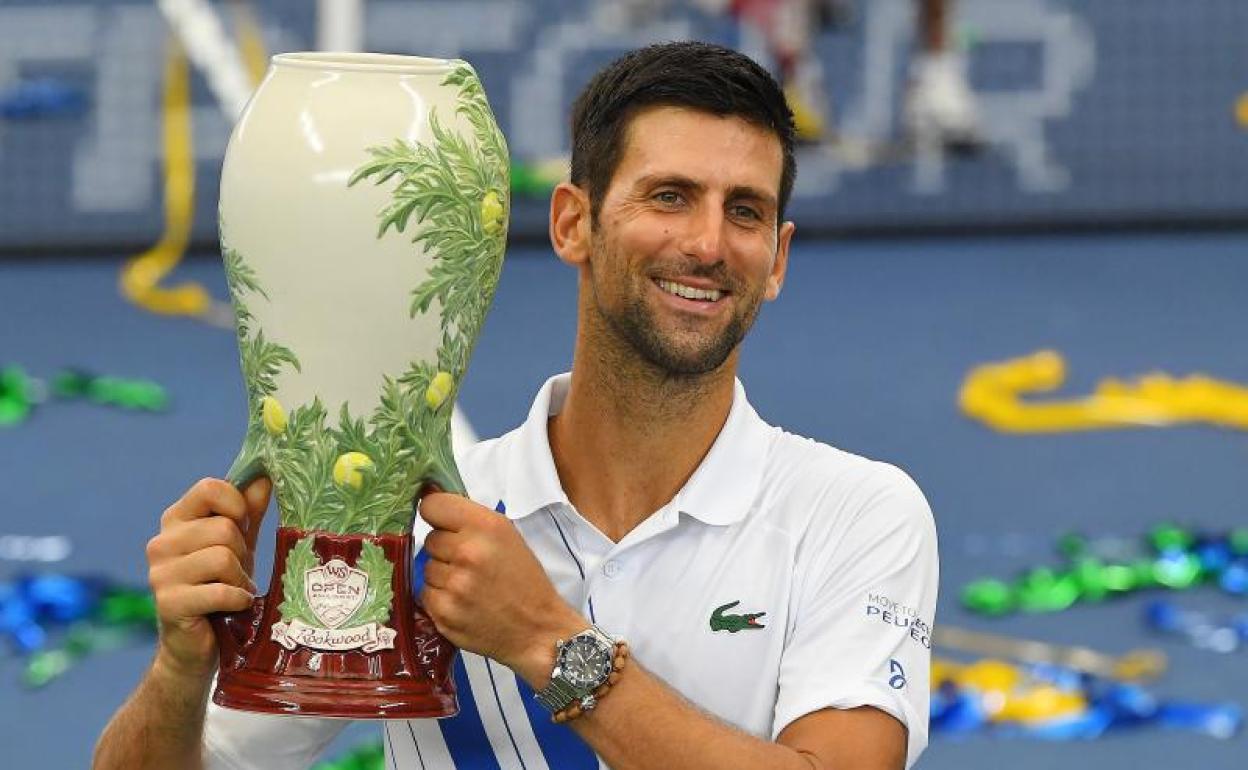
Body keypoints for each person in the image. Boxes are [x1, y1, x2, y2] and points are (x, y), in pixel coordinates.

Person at [94, 41, 938, 770]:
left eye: (745, 212)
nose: (708, 244)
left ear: (779, 258)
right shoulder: (406, 526)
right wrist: (178, 667)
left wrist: (545, 644)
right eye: (669, 196)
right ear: (573, 223)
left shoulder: (858, 515)